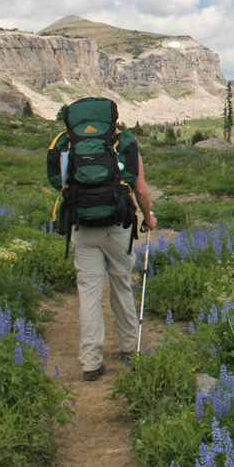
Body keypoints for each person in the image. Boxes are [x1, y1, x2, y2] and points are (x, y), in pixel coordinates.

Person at [69, 139, 156, 382]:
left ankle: (90, 362)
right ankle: (130, 349)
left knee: (88, 294)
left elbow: (62, 184)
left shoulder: (71, 143)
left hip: (83, 227)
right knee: (121, 286)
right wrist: (148, 218)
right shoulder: (124, 143)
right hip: (117, 227)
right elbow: (139, 189)